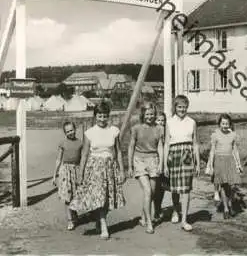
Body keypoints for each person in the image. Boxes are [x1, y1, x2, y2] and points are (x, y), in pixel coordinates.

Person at [69, 101, 126, 240]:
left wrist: (122, 170)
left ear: (108, 116)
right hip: (94, 168)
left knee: (107, 198)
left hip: (110, 167)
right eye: (99, 116)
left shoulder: (114, 131)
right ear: (95, 116)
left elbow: (118, 152)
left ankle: (99, 220)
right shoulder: (89, 133)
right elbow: (84, 155)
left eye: (105, 116)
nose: (102, 119)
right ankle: (103, 224)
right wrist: (80, 174)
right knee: (99, 197)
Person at [164, 95, 200, 232]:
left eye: (184, 107)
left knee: (185, 188)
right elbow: (167, 144)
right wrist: (164, 165)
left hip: (187, 156)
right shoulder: (169, 122)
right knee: (174, 187)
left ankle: (184, 219)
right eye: (179, 107)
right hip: (173, 155)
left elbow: (195, 143)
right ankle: (175, 210)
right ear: (175, 107)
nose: (182, 109)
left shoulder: (192, 122)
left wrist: (197, 163)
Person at [127, 102, 163, 234]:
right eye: (147, 114)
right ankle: (149, 222)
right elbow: (131, 146)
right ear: (143, 114)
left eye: (152, 114)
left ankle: (143, 216)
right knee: (147, 190)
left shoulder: (159, 128)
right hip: (139, 160)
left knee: (152, 192)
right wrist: (130, 165)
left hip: (153, 160)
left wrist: (161, 164)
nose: (150, 116)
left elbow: (160, 147)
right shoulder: (136, 128)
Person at [206, 114, 243, 219]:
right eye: (223, 123)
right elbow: (212, 150)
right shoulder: (215, 135)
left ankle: (230, 202)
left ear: (230, 124)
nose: (225, 126)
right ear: (219, 124)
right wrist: (210, 164)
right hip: (219, 161)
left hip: (230, 160)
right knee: (222, 185)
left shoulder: (233, 135)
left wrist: (239, 164)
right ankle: (226, 208)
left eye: (227, 123)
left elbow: (235, 150)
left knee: (232, 185)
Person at [52, 121, 83, 230]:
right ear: (65, 132)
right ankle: (70, 220)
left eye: (72, 130)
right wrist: (54, 175)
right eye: (68, 131)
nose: (70, 132)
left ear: (75, 129)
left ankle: (74, 214)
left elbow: (83, 159)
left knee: (76, 195)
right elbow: (58, 159)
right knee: (67, 196)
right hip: (65, 171)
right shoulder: (63, 143)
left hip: (76, 170)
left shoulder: (80, 143)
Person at [153, 111, 167, 223]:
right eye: (158, 120)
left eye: (163, 120)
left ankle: (158, 207)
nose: (161, 122)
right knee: (153, 188)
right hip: (153, 161)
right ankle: (155, 208)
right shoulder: (153, 131)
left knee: (161, 188)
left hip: (164, 162)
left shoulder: (167, 132)